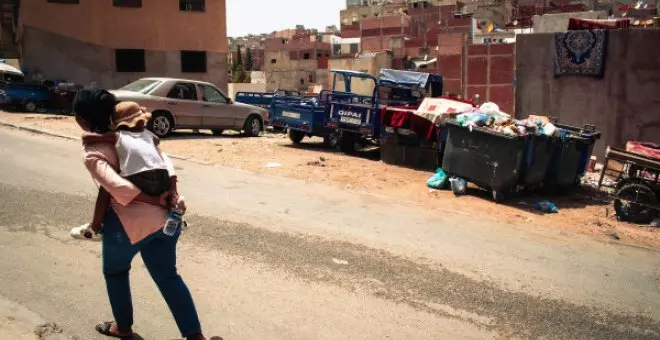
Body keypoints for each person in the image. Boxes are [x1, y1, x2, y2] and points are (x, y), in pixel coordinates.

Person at [73, 89, 207, 340]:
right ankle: (195, 336)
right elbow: (166, 164)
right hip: (168, 219)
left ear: (81, 119)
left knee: (115, 271)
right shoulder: (140, 136)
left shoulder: (94, 151)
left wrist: (152, 199)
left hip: (129, 224)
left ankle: (122, 328)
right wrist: (169, 195)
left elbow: (118, 188)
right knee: (168, 276)